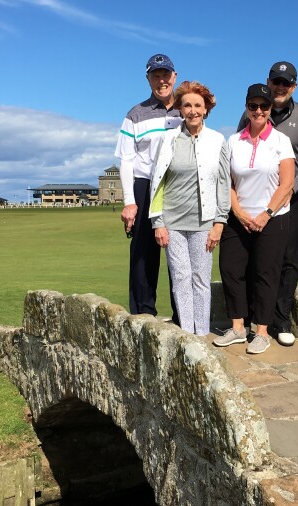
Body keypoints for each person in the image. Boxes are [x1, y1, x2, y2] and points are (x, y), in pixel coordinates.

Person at [237, 61, 298, 347]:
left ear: (294, 86)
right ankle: (253, 319)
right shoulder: (251, 114)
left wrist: (291, 187)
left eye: (286, 83)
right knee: (253, 261)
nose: (280, 87)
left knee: (287, 261)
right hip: (254, 202)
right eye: (276, 81)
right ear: (269, 82)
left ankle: (281, 319)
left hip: (289, 201)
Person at [214, 84, 295, 354]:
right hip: (238, 217)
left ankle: (261, 331)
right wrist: (237, 212)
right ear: (246, 107)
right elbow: (227, 182)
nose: (258, 110)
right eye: (253, 106)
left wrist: (265, 214)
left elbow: (287, 184)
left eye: (264, 106)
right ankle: (238, 328)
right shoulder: (233, 141)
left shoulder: (281, 141)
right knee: (231, 269)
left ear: (271, 109)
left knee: (265, 273)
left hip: (272, 218)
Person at [148, 81, 229, 336]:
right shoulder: (169, 138)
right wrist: (157, 223)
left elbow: (223, 184)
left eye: (197, 105)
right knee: (181, 279)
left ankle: (202, 334)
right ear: (180, 110)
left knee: (201, 280)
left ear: (206, 109)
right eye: (187, 105)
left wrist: (219, 222)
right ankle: (187, 335)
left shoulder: (217, 140)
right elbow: (157, 181)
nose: (192, 110)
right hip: (172, 222)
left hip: (204, 223)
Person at [115, 53, 183, 318]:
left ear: (174, 77)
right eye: (155, 75)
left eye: (165, 75)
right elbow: (126, 161)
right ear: (148, 79)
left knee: (180, 253)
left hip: (178, 184)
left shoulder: (186, 109)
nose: (161, 80)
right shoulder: (135, 114)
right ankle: (144, 315)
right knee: (144, 253)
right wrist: (130, 201)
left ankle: (183, 316)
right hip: (145, 185)